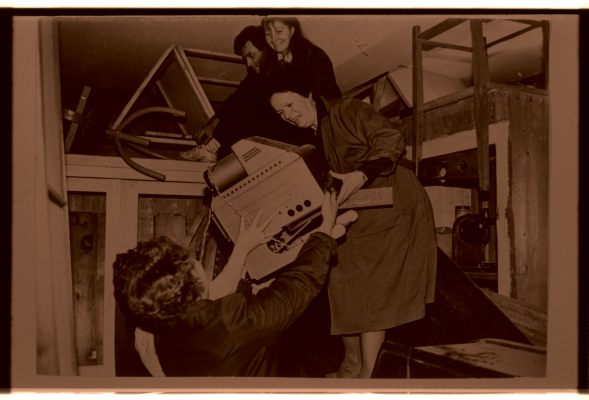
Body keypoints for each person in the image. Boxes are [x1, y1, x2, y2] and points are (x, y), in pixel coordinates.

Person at [266, 74, 438, 378]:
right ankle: (352, 364)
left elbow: (390, 138)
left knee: (371, 288)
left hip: (393, 202)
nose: (287, 115)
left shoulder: (347, 110)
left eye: (290, 104)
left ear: (309, 94)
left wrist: (360, 175)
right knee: (342, 278)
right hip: (362, 210)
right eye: (280, 112)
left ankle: (368, 373)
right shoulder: (311, 137)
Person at [113, 191, 355, 377]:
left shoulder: (155, 329)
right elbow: (301, 282)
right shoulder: (239, 322)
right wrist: (324, 230)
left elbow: (214, 296)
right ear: (195, 279)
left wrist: (243, 246)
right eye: (192, 259)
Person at [180, 25, 300, 161]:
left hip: (287, 142)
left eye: (251, 56)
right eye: (245, 59)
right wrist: (212, 125)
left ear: (267, 48)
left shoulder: (287, 70)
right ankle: (213, 149)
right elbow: (235, 100)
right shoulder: (256, 75)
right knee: (241, 101)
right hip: (259, 140)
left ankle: (214, 149)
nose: (248, 63)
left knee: (249, 106)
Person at [261, 16, 342, 101]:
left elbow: (318, 100)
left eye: (279, 31)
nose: (273, 39)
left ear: (291, 30)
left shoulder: (313, 57)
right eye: (268, 34)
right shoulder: (269, 62)